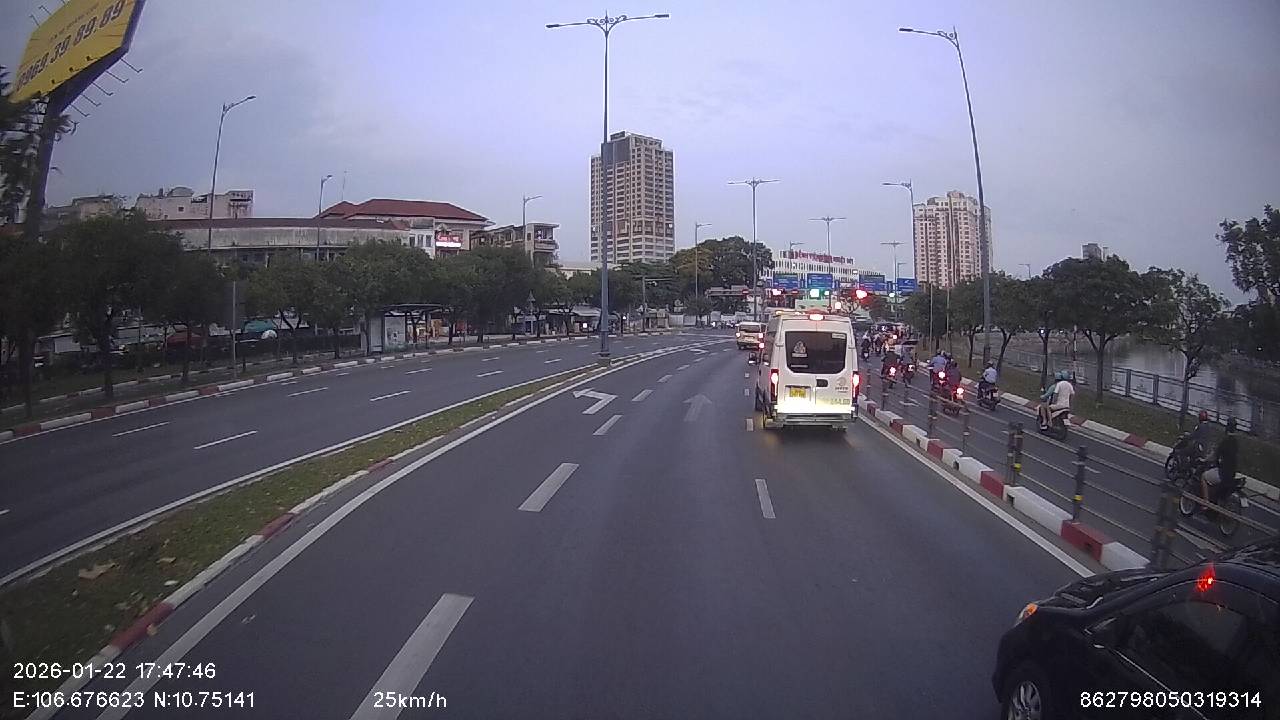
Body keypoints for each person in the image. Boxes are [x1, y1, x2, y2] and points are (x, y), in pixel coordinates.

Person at [1200, 418, 1240, 506]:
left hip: (1223, 473)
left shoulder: (1225, 441)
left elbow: (1215, 455)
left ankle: (1205, 502)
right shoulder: (1235, 442)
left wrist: (1204, 460)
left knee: (1204, 477)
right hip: (1232, 473)